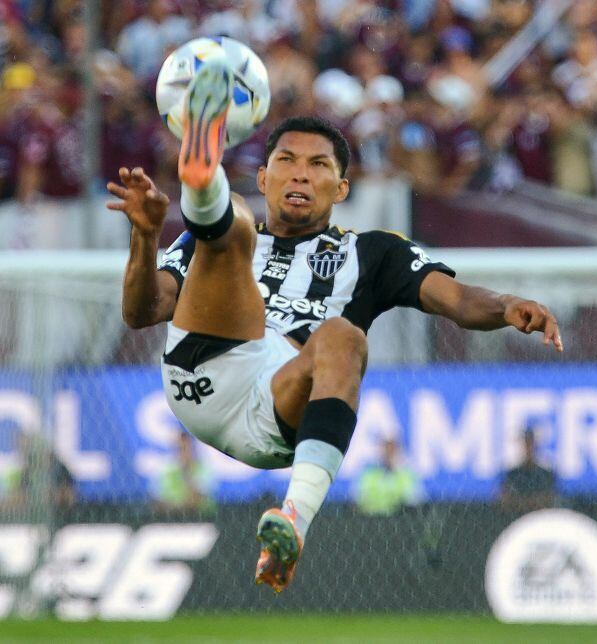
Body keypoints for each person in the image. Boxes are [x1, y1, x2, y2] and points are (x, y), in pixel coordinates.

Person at [108, 58, 563, 593]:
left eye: (319, 165)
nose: (300, 173)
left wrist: (508, 304)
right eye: (286, 160)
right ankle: (202, 184)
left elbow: (458, 300)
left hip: (284, 405)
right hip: (206, 373)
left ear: (342, 188)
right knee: (231, 229)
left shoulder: (372, 252)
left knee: (345, 337)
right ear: (264, 176)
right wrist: (144, 239)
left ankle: (292, 523)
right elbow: (142, 312)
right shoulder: (224, 239)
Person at [151, 430, 217, 514]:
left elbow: (197, 500)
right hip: (173, 517)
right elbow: (158, 501)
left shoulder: (203, 469)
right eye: (179, 449)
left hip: (201, 518)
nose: (183, 453)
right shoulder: (167, 470)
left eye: (186, 448)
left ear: (193, 449)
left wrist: (186, 472)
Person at [354, 437, 423, 516]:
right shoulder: (369, 474)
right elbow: (359, 499)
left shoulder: (407, 474)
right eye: (385, 449)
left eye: (392, 450)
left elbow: (413, 500)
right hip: (372, 519)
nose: (388, 454)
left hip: (399, 520)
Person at [499, 426, 557, 512]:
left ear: (535, 445)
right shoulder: (512, 475)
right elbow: (505, 501)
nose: (528, 447)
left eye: (531, 443)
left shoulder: (546, 474)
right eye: (526, 443)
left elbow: (550, 500)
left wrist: (523, 502)